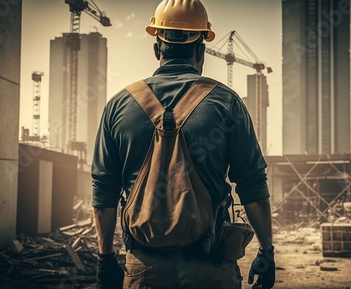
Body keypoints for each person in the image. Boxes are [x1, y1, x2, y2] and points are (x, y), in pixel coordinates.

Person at [91, 0, 275, 288]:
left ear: (156, 48)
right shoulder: (226, 102)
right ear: (201, 49)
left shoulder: (119, 106)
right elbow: (252, 183)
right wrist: (267, 252)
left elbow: (103, 189)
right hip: (210, 270)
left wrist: (105, 259)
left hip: (143, 270)